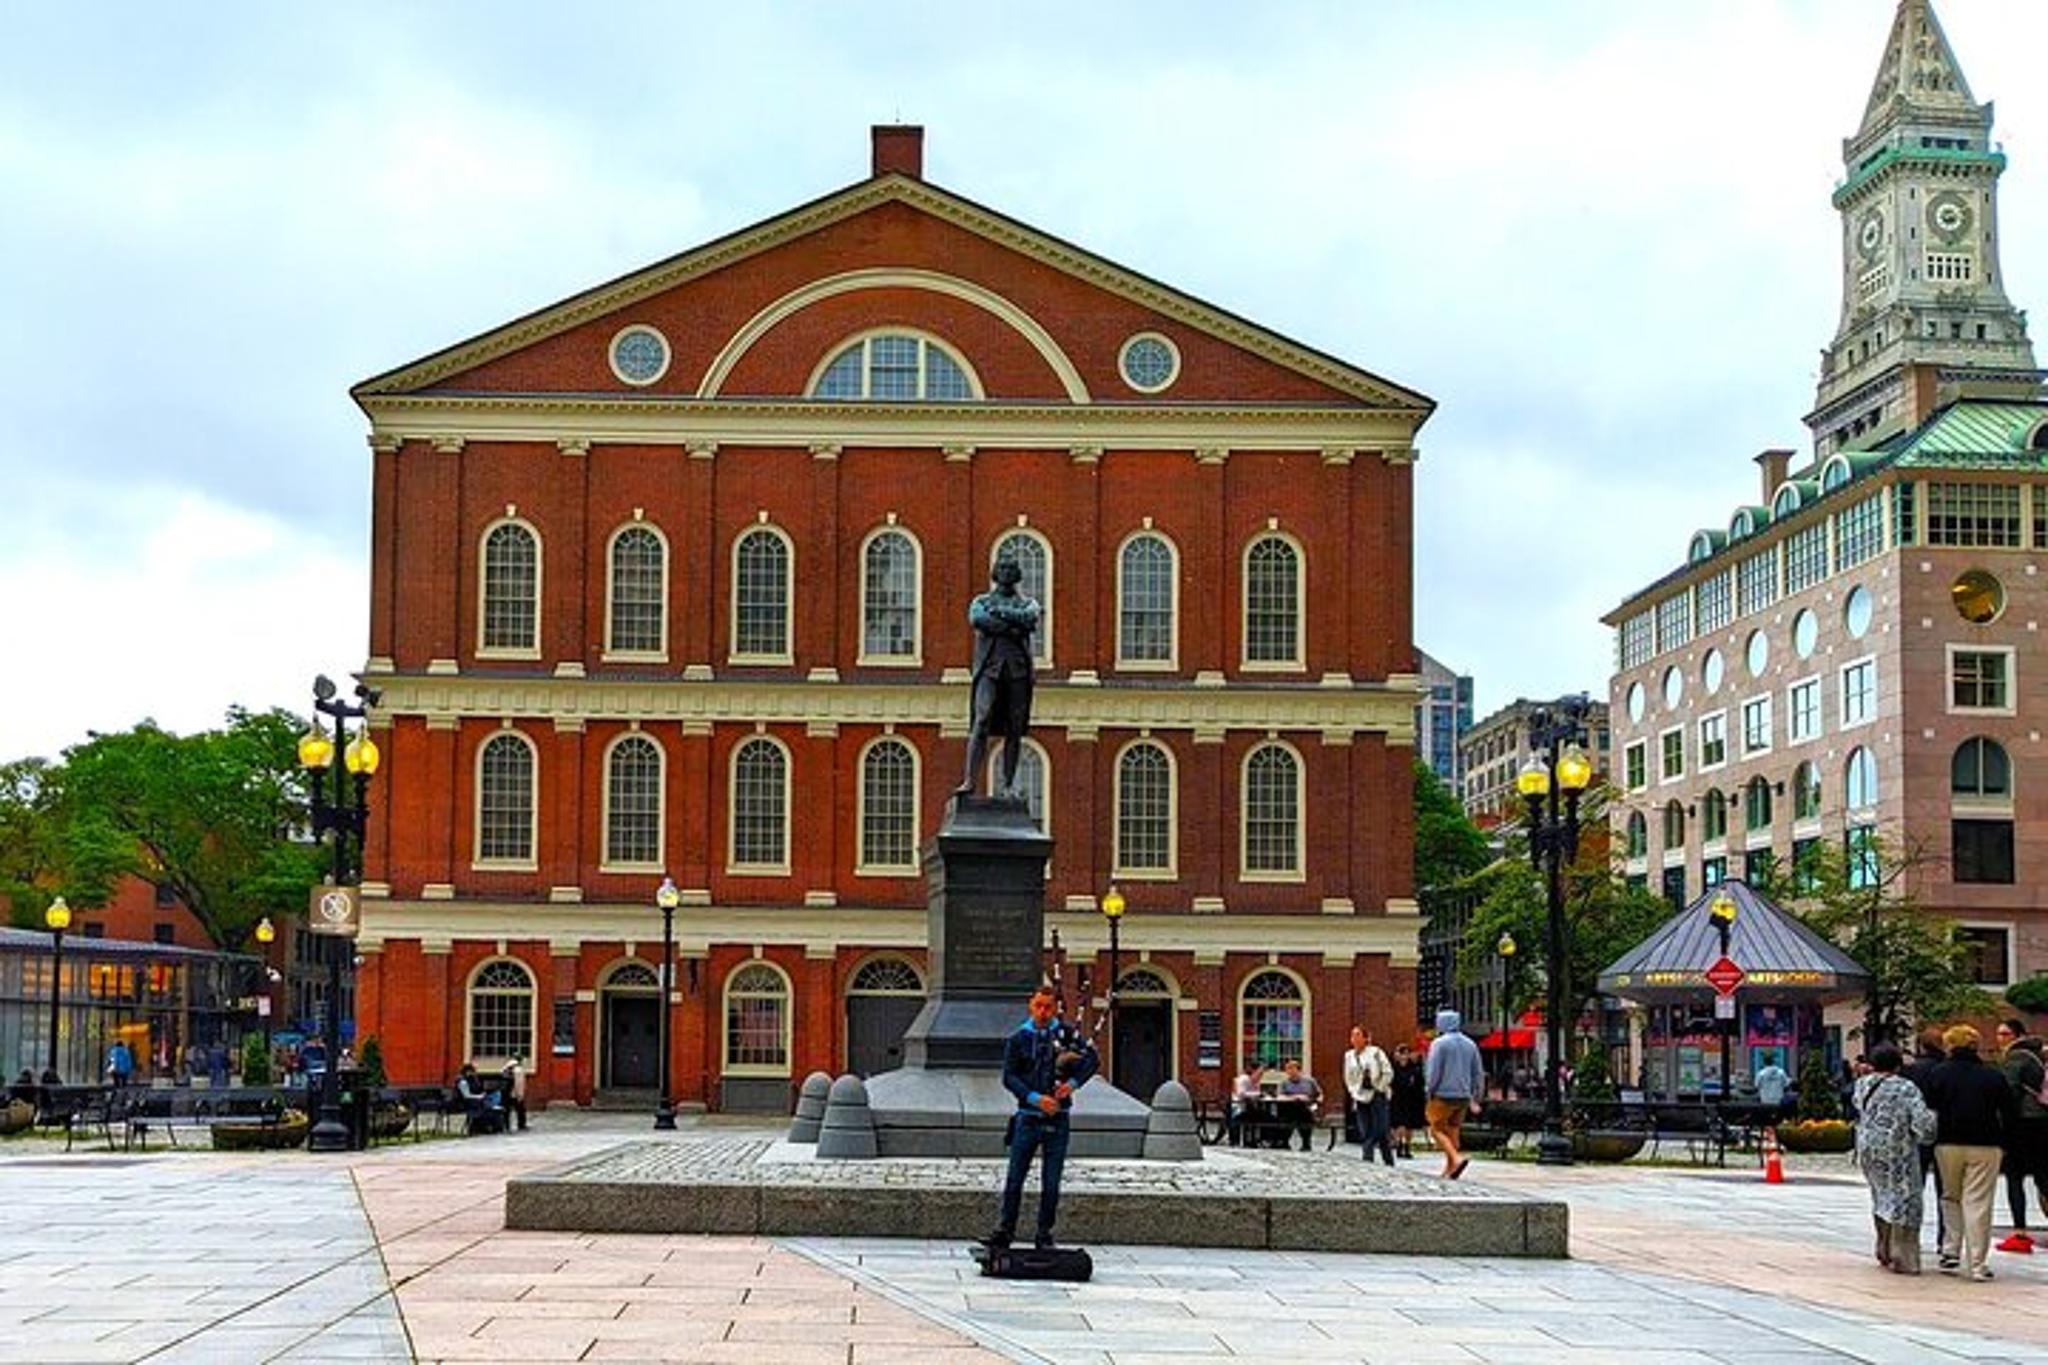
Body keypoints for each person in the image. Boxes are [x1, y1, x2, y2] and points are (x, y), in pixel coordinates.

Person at [985, 984, 1096, 1252]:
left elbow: (1091, 1060)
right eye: (1038, 1006)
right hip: (1028, 1116)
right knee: (1015, 1178)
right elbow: (1009, 1076)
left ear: (1056, 1007)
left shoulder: (1068, 1035)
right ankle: (1005, 1230)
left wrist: (1072, 1084)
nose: (1043, 1012)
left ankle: (1044, 1233)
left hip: (1059, 1119)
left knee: (1052, 1181)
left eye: (1048, 1006)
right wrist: (1035, 1098)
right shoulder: (1018, 1039)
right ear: (1030, 1005)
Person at [1924, 1024, 2011, 1281]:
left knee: (1950, 1196)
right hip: (1986, 1143)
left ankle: (1950, 1251)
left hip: (1948, 1142)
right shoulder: (1992, 1075)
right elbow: (2008, 1112)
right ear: (1975, 1045)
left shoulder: (1938, 1074)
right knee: (1979, 1202)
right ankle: (1977, 1262)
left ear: (1950, 1046)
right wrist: (2006, 1144)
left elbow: (1929, 1109)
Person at [1854, 1044, 1939, 1274]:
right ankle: (1903, 1254)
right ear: (1898, 1065)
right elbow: (1923, 1124)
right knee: (1906, 1198)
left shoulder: (1862, 1084)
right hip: (1897, 1149)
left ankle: (1883, 1244)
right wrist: (1931, 1125)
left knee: (1880, 1194)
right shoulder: (1905, 1088)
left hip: (1868, 1149)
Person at [1993, 1019, 2047, 1254]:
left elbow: (2009, 1092)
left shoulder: (2016, 1057)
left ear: (2017, 1035)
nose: (1999, 1038)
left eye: (2004, 1034)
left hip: (2022, 1123)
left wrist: (2001, 1125)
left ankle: (2020, 1233)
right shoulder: (2038, 1055)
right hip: (2043, 1121)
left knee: (2015, 1177)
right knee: (2043, 1176)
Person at [1423, 1009, 1485, 1180]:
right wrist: (1476, 1096)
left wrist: (1429, 1090)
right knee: (1453, 1129)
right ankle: (1450, 1169)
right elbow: (1478, 1073)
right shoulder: (1470, 1044)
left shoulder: (1439, 1043)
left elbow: (1434, 1071)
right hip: (1463, 1096)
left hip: (1443, 1094)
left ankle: (1456, 1159)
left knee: (1436, 1129)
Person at [1904, 1027, 1949, 1250]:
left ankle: (1911, 1235)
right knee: (1946, 1189)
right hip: (1945, 1132)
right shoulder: (1946, 1069)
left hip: (1916, 1132)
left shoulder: (1912, 1071)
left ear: (1920, 1045)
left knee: (1914, 1186)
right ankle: (1945, 1238)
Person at [1344, 1026, 1395, 1167]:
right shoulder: (1348, 1055)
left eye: (1358, 1035)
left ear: (1366, 1038)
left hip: (1377, 1094)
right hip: (1360, 1095)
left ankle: (1388, 1160)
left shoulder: (1376, 1053)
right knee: (1365, 1128)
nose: (1354, 1038)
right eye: (1352, 1035)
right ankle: (1368, 1159)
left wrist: (1379, 1087)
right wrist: (1353, 1092)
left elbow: (1388, 1072)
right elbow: (1348, 1077)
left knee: (1381, 1129)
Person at [1277, 1059, 1322, 1152]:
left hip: (1307, 1107)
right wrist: (1294, 1097)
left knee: (1305, 1117)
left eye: (1293, 1070)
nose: (1290, 1073)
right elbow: (1280, 1096)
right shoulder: (1284, 1083)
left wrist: (1318, 1101)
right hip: (1290, 1107)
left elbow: (1319, 1094)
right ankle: (1284, 1141)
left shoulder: (1310, 1081)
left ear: (1299, 1070)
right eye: (1288, 1070)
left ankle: (1306, 1142)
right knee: (1288, 1117)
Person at [1390, 1043, 1427, 1159]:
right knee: (1399, 1123)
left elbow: (1420, 1083)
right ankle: (1399, 1143)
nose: (1404, 1056)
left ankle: (1407, 1145)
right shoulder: (1393, 1068)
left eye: (1406, 1054)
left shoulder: (1414, 1068)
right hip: (1397, 1098)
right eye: (1402, 1054)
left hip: (1411, 1099)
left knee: (1409, 1124)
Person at [1226, 1063, 1266, 1147]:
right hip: (1238, 1108)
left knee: (1265, 1116)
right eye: (1259, 1073)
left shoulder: (1256, 1082)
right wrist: (1257, 1095)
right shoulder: (1243, 1079)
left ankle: (1257, 1139)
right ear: (1253, 1071)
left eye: (1261, 1074)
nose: (1260, 1076)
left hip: (1249, 1107)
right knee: (1261, 1116)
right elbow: (1241, 1094)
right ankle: (1250, 1140)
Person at [502, 1056, 529, 1132]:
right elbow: (519, 1083)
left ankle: (506, 1125)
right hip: (514, 1093)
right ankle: (521, 1124)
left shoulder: (506, 1068)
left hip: (506, 1092)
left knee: (507, 1110)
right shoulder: (518, 1070)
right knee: (521, 1110)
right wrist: (520, 1094)